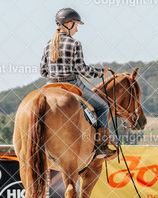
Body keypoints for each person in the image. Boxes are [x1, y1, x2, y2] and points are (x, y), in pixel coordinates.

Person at [40, 8, 115, 159]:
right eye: (76, 25)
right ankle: (100, 146)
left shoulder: (48, 44)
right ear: (69, 24)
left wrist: (56, 76)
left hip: (50, 86)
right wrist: (101, 73)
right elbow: (82, 70)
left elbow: (43, 72)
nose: (77, 29)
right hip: (72, 84)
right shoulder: (75, 43)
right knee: (103, 107)